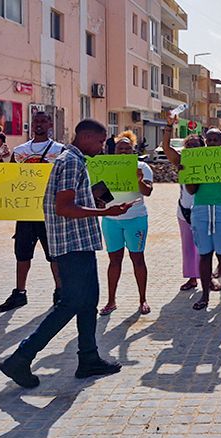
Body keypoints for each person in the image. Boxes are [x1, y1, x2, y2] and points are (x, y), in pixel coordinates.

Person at [0, 119, 133, 388]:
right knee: (71, 303)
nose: (101, 146)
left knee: (88, 301)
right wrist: (105, 212)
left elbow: (72, 201)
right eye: (99, 141)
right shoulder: (71, 161)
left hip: (80, 242)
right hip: (71, 244)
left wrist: (94, 199)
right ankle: (21, 357)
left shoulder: (72, 160)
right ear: (84, 137)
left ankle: (88, 358)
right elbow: (64, 207)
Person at [0, 112, 64, 313]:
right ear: (32, 124)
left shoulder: (60, 151)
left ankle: (60, 292)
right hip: (26, 211)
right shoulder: (20, 151)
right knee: (22, 254)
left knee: (54, 255)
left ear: (50, 124)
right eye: (36, 121)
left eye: (43, 121)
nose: (39, 124)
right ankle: (20, 293)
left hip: (49, 212)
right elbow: (10, 180)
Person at [162, 118, 221, 294]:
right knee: (188, 246)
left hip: (205, 208)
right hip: (184, 210)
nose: (193, 148)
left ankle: (208, 277)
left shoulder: (210, 161)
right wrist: (168, 127)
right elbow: (166, 148)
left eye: (197, 145)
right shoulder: (181, 161)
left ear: (203, 147)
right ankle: (192, 278)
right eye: (190, 146)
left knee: (206, 247)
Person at [184, 127, 221, 311]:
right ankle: (205, 296)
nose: (213, 143)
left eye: (217, 140)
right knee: (205, 254)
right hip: (201, 210)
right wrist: (189, 173)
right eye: (210, 140)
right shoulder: (197, 161)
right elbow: (191, 191)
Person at [98, 132, 154, 316]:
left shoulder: (142, 167)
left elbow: (147, 192)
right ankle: (111, 300)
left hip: (135, 219)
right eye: (120, 148)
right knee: (114, 260)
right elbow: (98, 191)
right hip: (111, 220)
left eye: (127, 149)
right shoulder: (105, 167)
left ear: (133, 151)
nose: (123, 151)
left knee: (137, 259)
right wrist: (107, 204)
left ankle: (143, 299)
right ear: (113, 151)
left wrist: (138, 180)